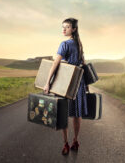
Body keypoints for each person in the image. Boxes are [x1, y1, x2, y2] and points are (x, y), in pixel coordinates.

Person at [43, 17, 89, 155]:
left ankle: (66, 144)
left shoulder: (64, 44)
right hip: (78, 83)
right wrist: (86, 85)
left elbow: (55, 64)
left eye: (67, 27)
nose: (64, 29)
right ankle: (76, 140)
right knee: (76, 114)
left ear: (74, 29)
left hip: (65, 83)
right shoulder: (79, 45)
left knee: (62, 114)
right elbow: (84, 65)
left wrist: (47, 82)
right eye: (63, 27)